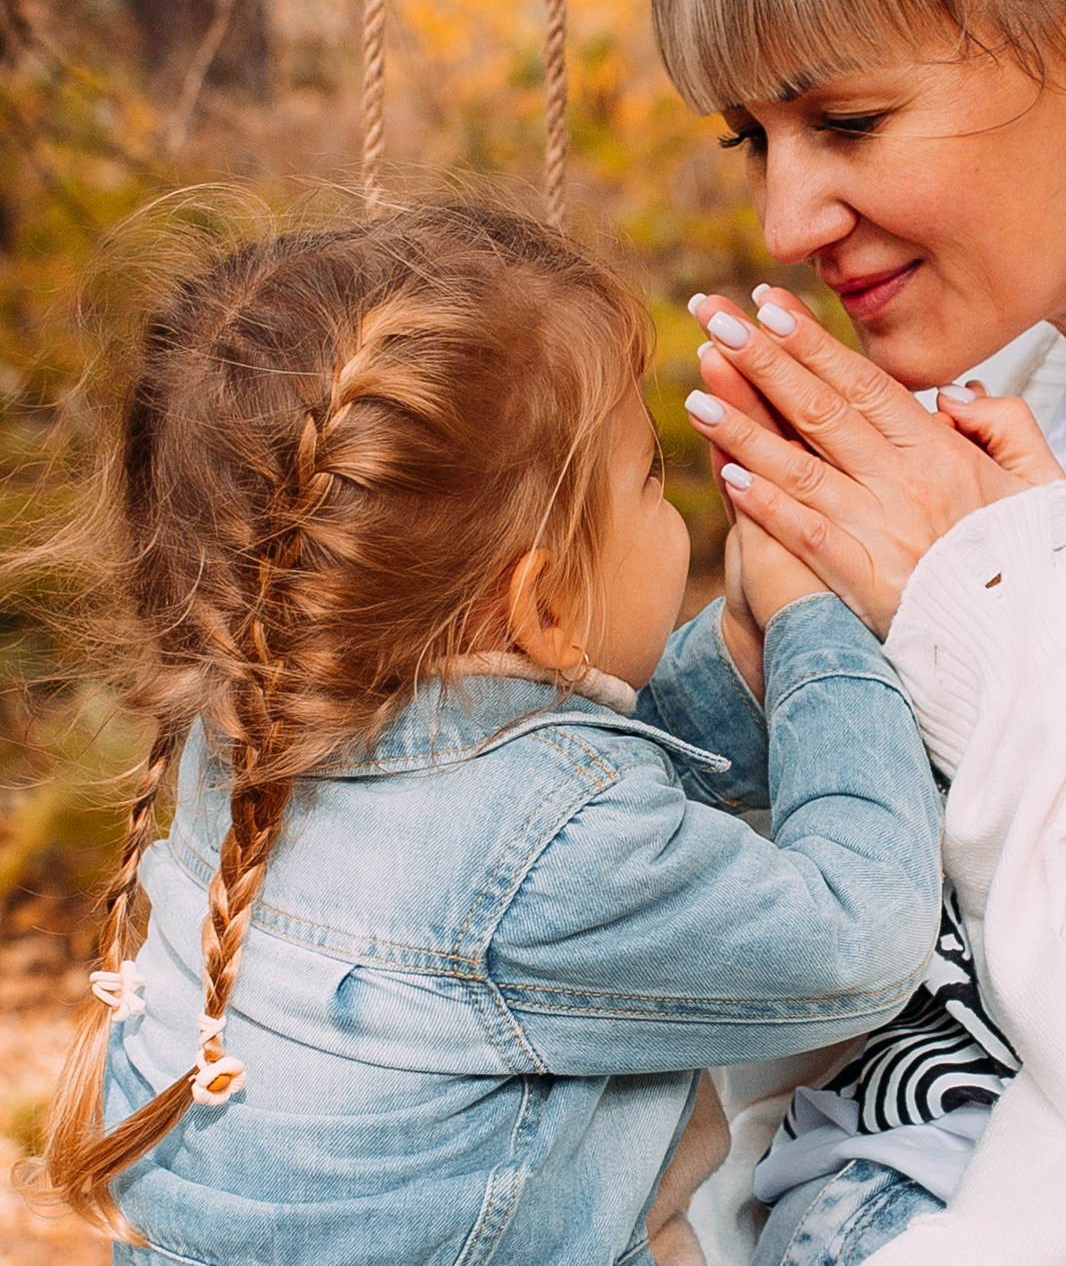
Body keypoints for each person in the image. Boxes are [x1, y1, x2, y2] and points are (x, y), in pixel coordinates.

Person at [25, 200, 941, 1266]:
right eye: (648, 479)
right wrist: (813, 628)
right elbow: (858, 937)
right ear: (544, 606)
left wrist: (738, 657)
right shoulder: (549, 849)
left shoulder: (243, 732)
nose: (672, 509)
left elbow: (542, 776)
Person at [651, 0, 1066, 1263]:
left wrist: (972, 599)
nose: (783, 224)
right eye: (750, 139)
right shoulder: (962, 418)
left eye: (847, 117)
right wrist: (771, 684)